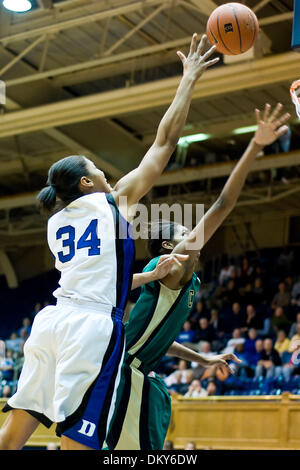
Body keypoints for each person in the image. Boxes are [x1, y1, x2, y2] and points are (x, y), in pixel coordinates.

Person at [0, 33, 220, 452]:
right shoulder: (111, 202)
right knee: (80, 439)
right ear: (87, 182)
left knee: (11, 438)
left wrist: (142, 276)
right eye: (97, 168)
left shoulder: (55, 222)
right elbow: (164, 143)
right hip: (91, 329)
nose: (104, 172)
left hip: (52, 321)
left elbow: (93, 278)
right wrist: (188, 79)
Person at [105, 102, 290, 450]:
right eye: (183, 230)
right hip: (128, 374)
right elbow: (222, 204)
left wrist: (202, 358)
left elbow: (159, 337)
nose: (192, 233)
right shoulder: (171, 265)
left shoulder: (187, 281)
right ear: (166, 245)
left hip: (139, 373)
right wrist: (255, 146)